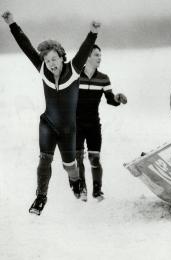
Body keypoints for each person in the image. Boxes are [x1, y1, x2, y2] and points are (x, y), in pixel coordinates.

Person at [1, 11, 100, 215]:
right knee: (44, 160)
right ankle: (40, 198)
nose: (51, 64)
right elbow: (26, 46)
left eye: (54, 59)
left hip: (68, 129)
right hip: (48, 123)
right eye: (48, 61)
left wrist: (93, 32)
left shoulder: (73, 69)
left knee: (70, 167)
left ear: (61, 57)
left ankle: (75, 182)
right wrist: (12, 23)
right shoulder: (43, 70)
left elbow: (84, 49)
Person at [76, 45, 127, 202]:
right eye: (96, 55)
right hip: (76, 124)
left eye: (100, 55)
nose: (100, 58)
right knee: (78, 158)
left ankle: (97, 191)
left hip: (93, 123)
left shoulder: (103, 78)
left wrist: (118, 98)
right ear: (87, 57)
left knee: (95, 159)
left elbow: (110, 100)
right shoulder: (75, 75)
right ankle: (82, 189)